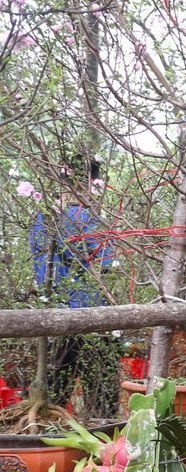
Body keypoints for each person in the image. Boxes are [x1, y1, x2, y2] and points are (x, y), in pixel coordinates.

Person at [29, 156, 120, 417]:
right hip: (92, 315)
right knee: (102, 396)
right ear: (92, 184)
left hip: (53, 315)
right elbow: (108, 262)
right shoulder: (85, 218)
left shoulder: (41, 218)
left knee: (55, 391)